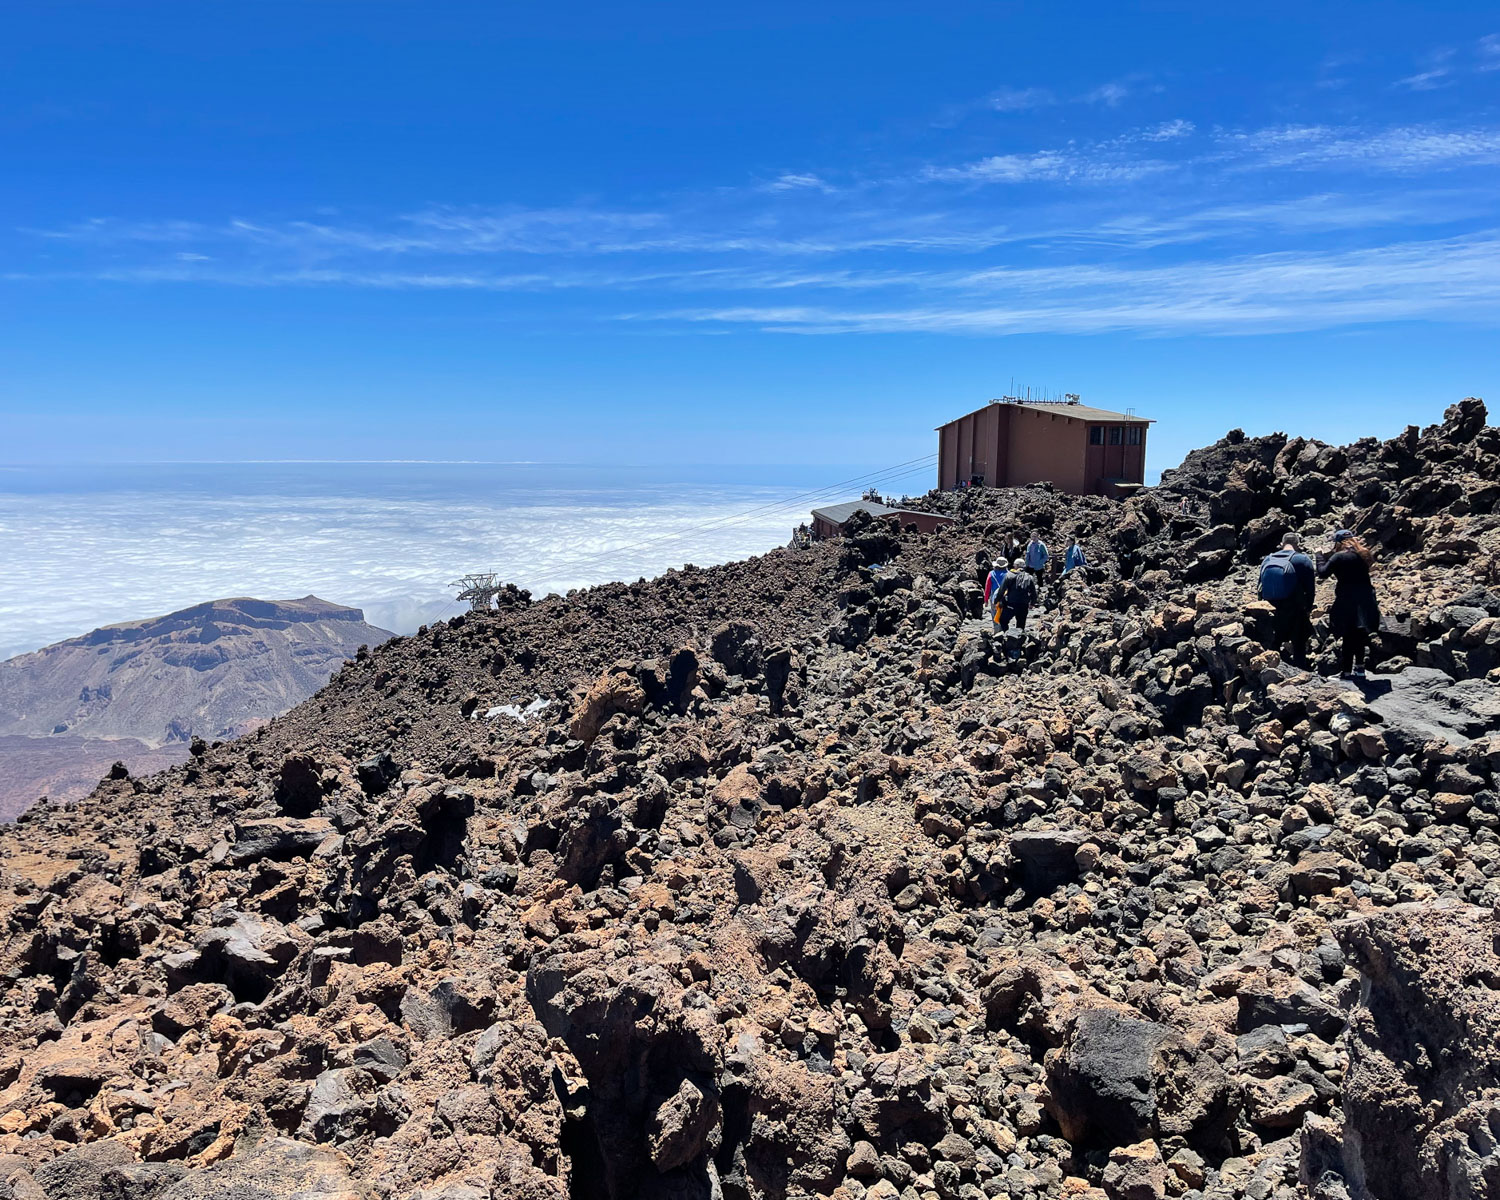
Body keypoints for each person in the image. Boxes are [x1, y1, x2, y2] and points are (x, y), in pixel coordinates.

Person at [1318, 530, 1380, 679]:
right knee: (1360, 634)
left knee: (1348, 636)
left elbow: (1322, 573)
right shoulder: (1363, 554)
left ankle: (1346, 672)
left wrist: (1318, 555)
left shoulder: (1339, 556)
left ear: (1338, 542)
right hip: (1366, 600)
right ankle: (1360, 669)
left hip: (1348, 601)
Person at [1257, 533, 1316, 666]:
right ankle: (1300, 671)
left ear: (1281, 544)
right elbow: (1310, 589)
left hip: (1272, 608)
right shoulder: (1303, 560)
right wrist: (1308, 608)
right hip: (1295, 608)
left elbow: (1260, 586)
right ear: (1298, 544)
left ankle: (1271, 670)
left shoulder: (1268, 559)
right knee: (1299, 641)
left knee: (1275, 641)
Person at [996, 558, 1038, 634]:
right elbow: (1033, 593)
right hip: (1024, 605)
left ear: (1016, 566)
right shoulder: (1029, 577)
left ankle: (1006, 635)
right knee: (1021, 625)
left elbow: (1002, 590)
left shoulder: (1009, 575)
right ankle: (1018, 640)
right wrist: (1032, 603)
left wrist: (997, 600)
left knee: (1003, 620)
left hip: (1010, 603)